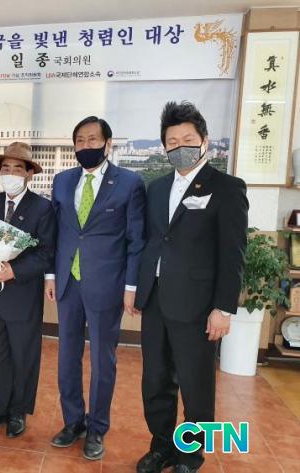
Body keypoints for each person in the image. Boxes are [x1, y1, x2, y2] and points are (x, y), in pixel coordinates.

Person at [134, 102, 248, 473]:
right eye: (172, 141)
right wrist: (139, 290)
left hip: (198, 306)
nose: (180, 146)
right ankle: (162, 447)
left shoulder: (226, 188)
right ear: (164, 147)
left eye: (188, 139)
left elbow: (233, 254)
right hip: (156, 301)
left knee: (196, 386)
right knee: (155, 381)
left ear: (204, 141)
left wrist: (223, 308)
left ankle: (190, 456)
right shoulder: (156, 188)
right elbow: (154, 241)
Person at [46, 116, 146, 460]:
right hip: (68, 281)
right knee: (67, 355)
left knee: (103, 360)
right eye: (79, 140)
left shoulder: (129, 183)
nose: (85, 146)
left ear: (108, 143)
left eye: (92, 139)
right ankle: (73, 421)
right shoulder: (62, 181)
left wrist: (131, 286)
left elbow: (136, 240)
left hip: (107, 283)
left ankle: (97, 427)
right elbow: (55, 233)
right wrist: (50, 275)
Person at [0, 142, 55, 438]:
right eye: (5, 168)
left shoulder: (42, 207)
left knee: (24, 356)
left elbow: (46, 253)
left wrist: (14, 270)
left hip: (23, 295)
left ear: (29, 173)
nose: (10, 174)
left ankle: (18, 411)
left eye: (18, 169)